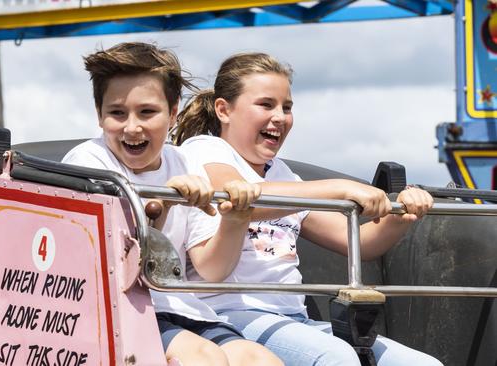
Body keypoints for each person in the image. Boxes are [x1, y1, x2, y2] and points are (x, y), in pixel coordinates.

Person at [174, 52, 442, 366]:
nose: (280, 117)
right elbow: (235, 199)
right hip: (227, 316)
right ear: (224, 110)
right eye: (266, 105)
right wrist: (339, 187)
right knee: (335, 358)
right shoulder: (206, 150)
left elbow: (361, 243)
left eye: (286, 107)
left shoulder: (285, 176)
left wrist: (404, 214)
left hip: (293, 319)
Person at [62, 43, 284, 366]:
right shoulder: (89, 163)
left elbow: (212, 269)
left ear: (173, 111)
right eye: (117, 113)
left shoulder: (183, 162)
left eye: (147, 112)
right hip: (120, 309)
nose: (132, 127)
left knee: (263, 362)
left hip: (182, 309)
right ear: (99, 115)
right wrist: (161, 207)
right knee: (205, 359)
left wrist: (235, 220)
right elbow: (116, 265)